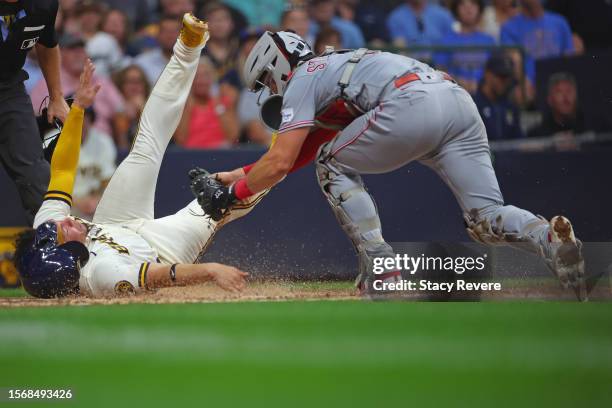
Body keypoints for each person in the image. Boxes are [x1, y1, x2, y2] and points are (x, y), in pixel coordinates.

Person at [192, 30, 588, 300]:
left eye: (266, 81)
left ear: (276, 64)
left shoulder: (304, 77)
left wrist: (231, 195)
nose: (270, 91)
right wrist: (241, 176)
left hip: (410, 104)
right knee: (485, 217)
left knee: (332, 163)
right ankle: (551, 240)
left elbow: (282, 161)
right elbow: (297, 153)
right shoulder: (332, 66)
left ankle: (382, 264)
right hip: (455, 101)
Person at [13, 14, 259, 299]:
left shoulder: (46, 230)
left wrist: (78, 108)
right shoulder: (102, 274)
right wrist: (212, 269)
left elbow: (63, 172)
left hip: (114, 222)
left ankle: (187, 48)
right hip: (162, 250)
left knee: (146, 145)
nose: (65, 221)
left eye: (58, 225)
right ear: (73, 257)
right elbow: (164, 275)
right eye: (63, 233)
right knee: (221, 199)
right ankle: (284, 159)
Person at [0, 0, 68, 225]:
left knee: (36, 176)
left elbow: (47, 44)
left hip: (7, 88)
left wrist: (56, 97)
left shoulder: (43, 4)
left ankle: (50, 249)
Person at [30, 33, 126, 146]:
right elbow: (34, 116)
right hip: (61, 141)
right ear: (59, 54)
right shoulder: (49, 81)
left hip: (101, 144)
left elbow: (121, 111)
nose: (78, 54)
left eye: (81, 50)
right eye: (73, 50)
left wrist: (122, 147)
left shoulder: (101, 81)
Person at [500, 0, 574, 86]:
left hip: (558, 85)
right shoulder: (509, 28)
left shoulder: (560, 23)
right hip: (528, 86)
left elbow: (569, 59)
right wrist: (525, 84)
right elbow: (515, 62)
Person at [173, 57, 239, 149]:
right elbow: (180, 140)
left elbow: (233, 137)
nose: (201, 81)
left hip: (220, 154)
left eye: (205, 76)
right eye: (197, 76)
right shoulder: (183, 105)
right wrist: (188, 108)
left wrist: (218, 107)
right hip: (191, 155)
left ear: (212, 78)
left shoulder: (223, 102)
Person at [433, 0, 496, 94]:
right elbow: (440, 71)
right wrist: (459, 82)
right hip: (454, 92)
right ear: (456, 9)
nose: (468, 8)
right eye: (463, 4)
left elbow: (495, 71)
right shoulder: (445, 41)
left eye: (473, 3)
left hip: (485, 94)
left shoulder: (489, 41)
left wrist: (482, 84)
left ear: (480, 9)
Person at [72, 106, 116, 220]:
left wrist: (97, 199)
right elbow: (46, 185)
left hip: (94, 204)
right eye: (75, 116)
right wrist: (76, 202)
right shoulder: (52, 140)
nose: (81, 121)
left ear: (90, 119)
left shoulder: (103, 141)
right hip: (65, 204)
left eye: (84, 116)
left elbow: (108, 179)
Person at [472, 53, 523, 140]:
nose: (504, 81)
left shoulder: (510, 106)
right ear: (487, 74)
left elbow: (519, 141)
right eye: (500, 76)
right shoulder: (473, 105)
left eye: (507, 76)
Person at [134, 15, 181, 86]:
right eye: (166, 31)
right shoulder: (141, 63)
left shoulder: (194, 63)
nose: (170, 36)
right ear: (158, 35)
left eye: (174, 32)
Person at [112, 64, 151, 147]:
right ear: (121, 85)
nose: (134, 86)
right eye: (130, 82)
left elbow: (155, 141)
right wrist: (124, 117)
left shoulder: (154, 107)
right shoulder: (118, 109)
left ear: (145, 85)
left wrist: (143, 110)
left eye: (138, 81)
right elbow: (122, 146)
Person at [386, 0, 454, 47]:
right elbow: (400, 48)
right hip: (410, 65)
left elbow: (453, 42)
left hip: (440, 65)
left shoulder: (443, 15)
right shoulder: (396, 17)